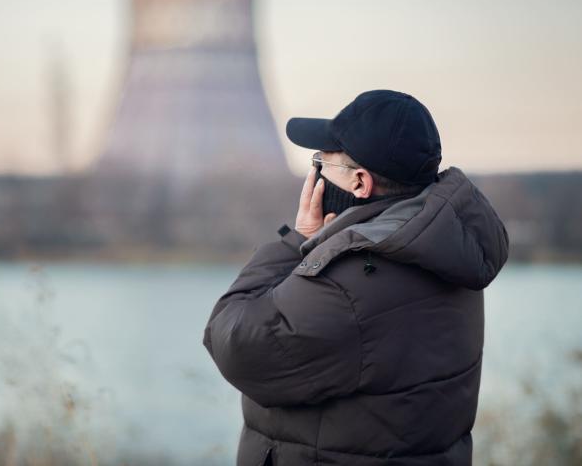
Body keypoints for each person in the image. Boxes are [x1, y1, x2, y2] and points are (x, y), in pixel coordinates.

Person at [202, 89, 510, 466]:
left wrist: (296, 241)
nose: (314, 175)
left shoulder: (348, 284)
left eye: (321, 163)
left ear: (360, 183)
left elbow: (233, 342)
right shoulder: (447, 252)